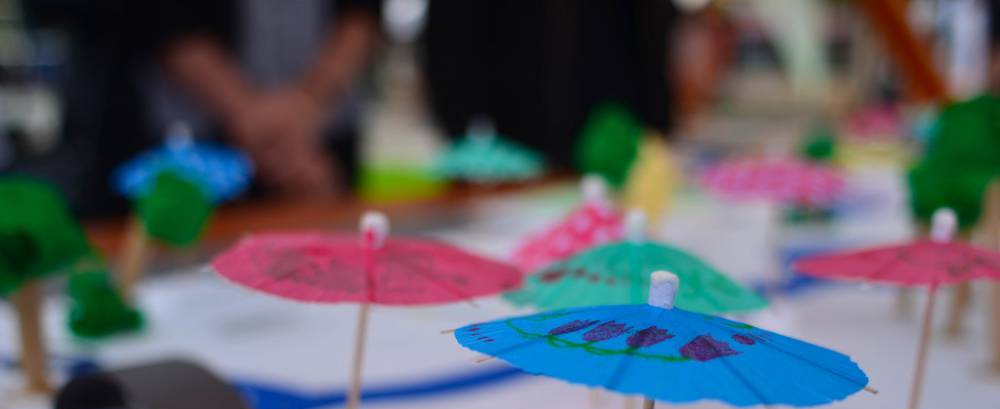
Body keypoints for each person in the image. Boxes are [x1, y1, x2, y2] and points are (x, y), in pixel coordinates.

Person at [23, 0, 381, 216]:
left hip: (318, 144)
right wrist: (261, 122)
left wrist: (307, 107)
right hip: (183, 145)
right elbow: (161, 17)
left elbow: (362, 12)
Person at [420, 0, 677, 167]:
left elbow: (650, 29)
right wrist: (464, 128)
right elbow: (448, 37)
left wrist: (655, 123)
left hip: (610, 134)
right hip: (503, 148)